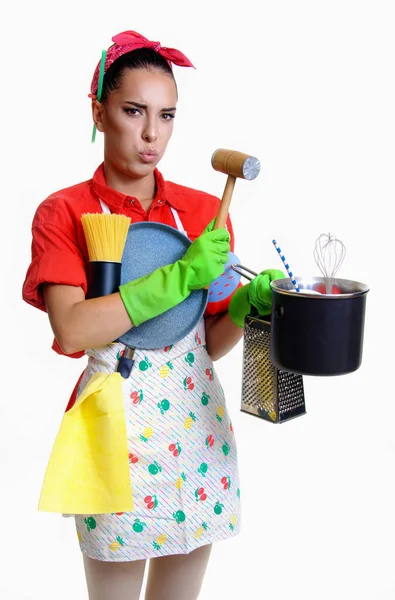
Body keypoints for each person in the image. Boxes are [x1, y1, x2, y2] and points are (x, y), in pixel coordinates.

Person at [22, 29, 284, 600]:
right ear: (99, 110)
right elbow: (71, 328)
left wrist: (243, 305)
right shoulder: (65, 211)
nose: (151, 134)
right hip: (113, 430)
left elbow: (206, 343)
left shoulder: (201, 211)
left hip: (196, 427)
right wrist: (180, 277)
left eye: (166, 116)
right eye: (133, 111)